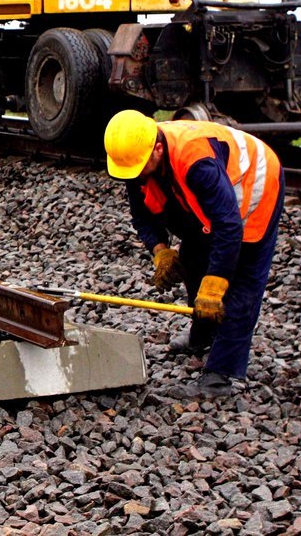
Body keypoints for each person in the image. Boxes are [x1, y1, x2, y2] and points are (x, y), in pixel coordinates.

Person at [103, 109, 284, 398]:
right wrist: (160, 250)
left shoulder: (196, 162)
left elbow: (228, 227)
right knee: (194, 261)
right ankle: (203, 335)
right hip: (213, 199)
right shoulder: (136, 154)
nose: (134, 177)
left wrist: (215, 284)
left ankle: (222, 375)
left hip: (255, 187)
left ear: (158, 149)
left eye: (139, 169)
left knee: (241, 283)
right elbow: (142, 215)